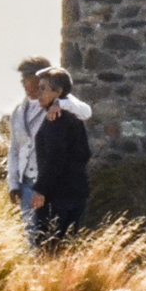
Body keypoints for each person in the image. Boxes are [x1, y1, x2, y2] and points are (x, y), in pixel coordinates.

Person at [8, 56, 93, 238]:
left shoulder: (59, 105)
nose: (23, 83)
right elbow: (14, 149)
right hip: (26, 182)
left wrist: (59, 103)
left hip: (48, 184)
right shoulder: (18, 111)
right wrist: (13, 183)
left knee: (46, 235)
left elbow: (86, 111)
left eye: (27, 78)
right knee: (30, 234)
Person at [31, 69, 92, 244]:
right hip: (77, 191)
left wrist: (40, 189)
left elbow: (55, 160)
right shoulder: (75, 119)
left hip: (57, 195)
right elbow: (84, 154)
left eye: (43, 89)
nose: (39, 93)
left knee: (48, 248)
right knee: (68, 247)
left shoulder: (55, 120)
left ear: (58, 93)